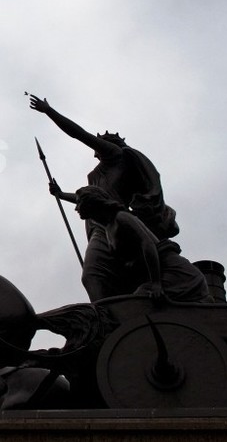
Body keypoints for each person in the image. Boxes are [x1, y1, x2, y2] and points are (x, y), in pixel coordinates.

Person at [28, 95, 181, 301]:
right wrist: (61, 194)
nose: (97, 146)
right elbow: (88, 199)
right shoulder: (96, 173)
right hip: (98, 224)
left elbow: (79, 134)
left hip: (114, 221)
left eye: (102, 141)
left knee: (92, 274)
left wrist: (49, 111)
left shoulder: (115, 155)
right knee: (102, 277)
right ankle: (109, 317)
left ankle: (104, 319)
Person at [71, 186, 210, 303]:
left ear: (90, 202)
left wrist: (156, 284)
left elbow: (148, 244)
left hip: (177, 275)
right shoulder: (107, 227)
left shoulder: (121, 217)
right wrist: (60, 194)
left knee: (136, 303)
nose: (76, 208)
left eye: (79, 203)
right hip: (157, 277)